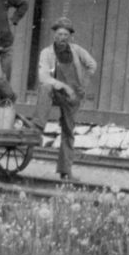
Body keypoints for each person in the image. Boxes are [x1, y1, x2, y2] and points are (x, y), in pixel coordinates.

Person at [36, 17, 98, 182]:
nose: (62, 37)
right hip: (56, 92)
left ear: (70, 36)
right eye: (59, 34)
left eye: (65, 34)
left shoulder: (77, 51)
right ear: (54, 35)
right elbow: (43, 77)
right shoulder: (47, 53)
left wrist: (83, 84)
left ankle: (65, 170)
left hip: (72, 97)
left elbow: (92, 64)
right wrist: (63, 86)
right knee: (45, 87)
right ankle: (38, 127)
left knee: (68, 132)